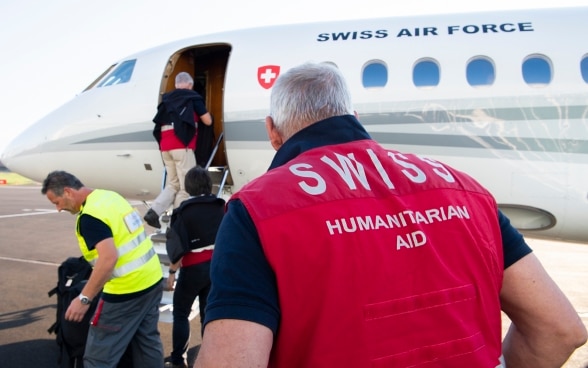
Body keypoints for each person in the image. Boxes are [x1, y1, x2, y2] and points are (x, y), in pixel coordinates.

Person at [194, 63, 587, 368]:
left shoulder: (258, 209)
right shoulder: (465, 190)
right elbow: (558, 328)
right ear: (355, 115)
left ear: (272, 132)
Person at [42, 170, 165, 368]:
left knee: (99, 355)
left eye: (56, 202)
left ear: (67, 191)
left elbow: (108, 259)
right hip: (152, 279)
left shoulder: (89, 217)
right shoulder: (110, 196)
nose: (57, 209)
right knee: (147, 343)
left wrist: (84, 299)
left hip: (126, 291)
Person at [164, 166, 225, 368]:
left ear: (188, 187)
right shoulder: (220, 206)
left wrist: (172, 273)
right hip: (215, 267)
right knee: (208, 313)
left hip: (193, 268)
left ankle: (178, 359)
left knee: (181, 313)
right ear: (209, 184)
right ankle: (210, 355)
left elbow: (177, 247)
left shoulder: (182, 212)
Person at [145, 71, 213, 228]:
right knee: (186, 187)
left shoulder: (167, 100)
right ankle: (176, 224)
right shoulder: (192, 97)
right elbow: (207, 121)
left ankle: (154, 211)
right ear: (190, 85)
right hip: (182, 147)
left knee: (173, 184)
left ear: (176, 85)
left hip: (165, 148)